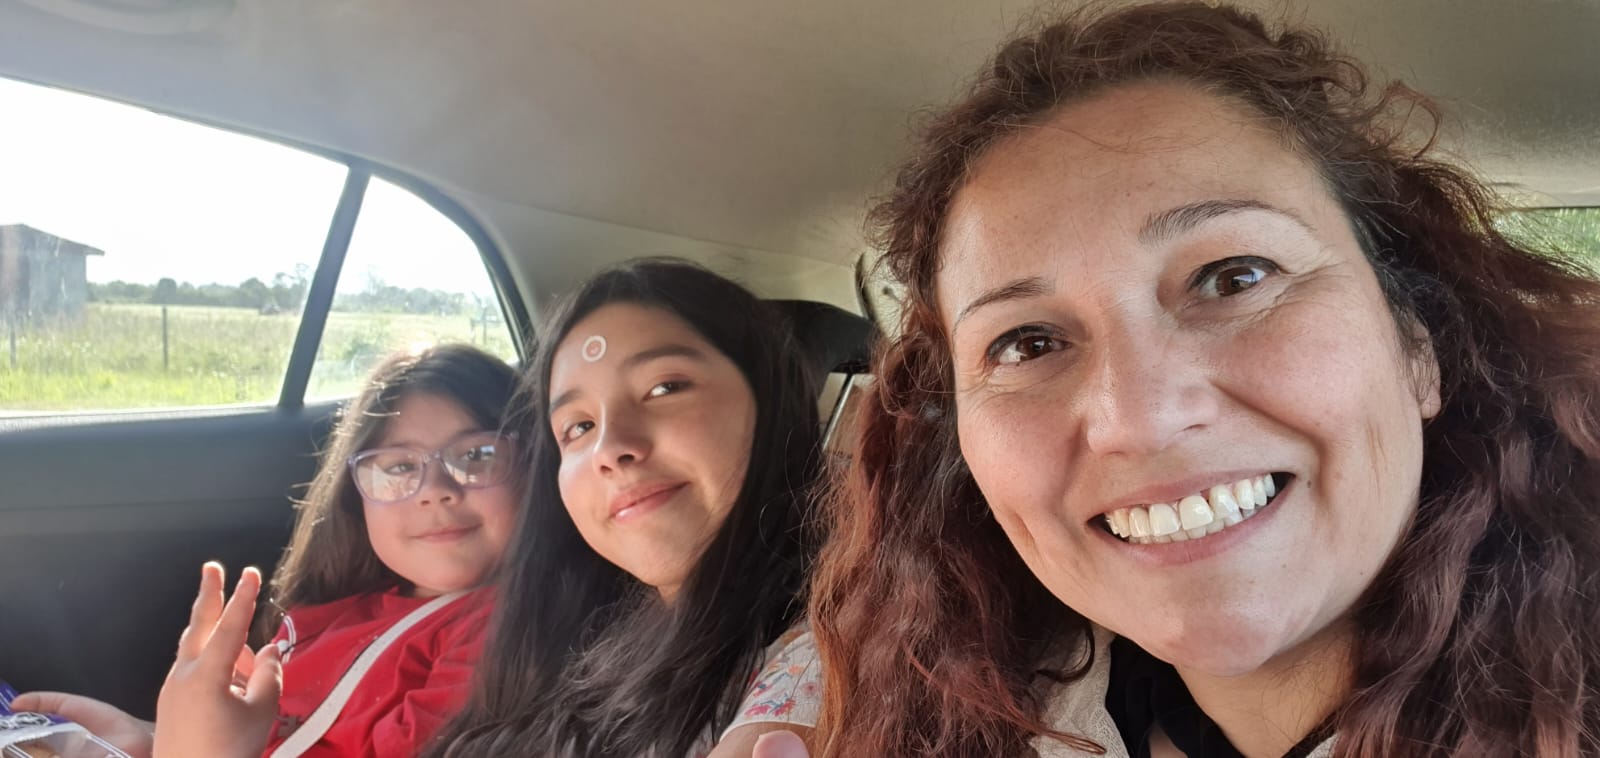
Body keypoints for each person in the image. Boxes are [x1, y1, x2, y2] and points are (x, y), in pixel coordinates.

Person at [794, 3, 1600, 758]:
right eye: (1028, 342)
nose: (1138, 418)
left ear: (1418, 346)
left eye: (1234, 277)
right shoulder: (950, 708)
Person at [15, 343, 522, 758]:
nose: (435, 490)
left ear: (535, 469)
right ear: (357, 497)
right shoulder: (341, 613)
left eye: (476, 456)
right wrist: (150, 740)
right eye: (399, 467)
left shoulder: (501, 632)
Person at [427, 258, 826, 758]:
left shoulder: (827, 652)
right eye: (578, 427)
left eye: (664, 388)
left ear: (772, 402)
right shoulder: (577, 629)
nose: (610, 448)